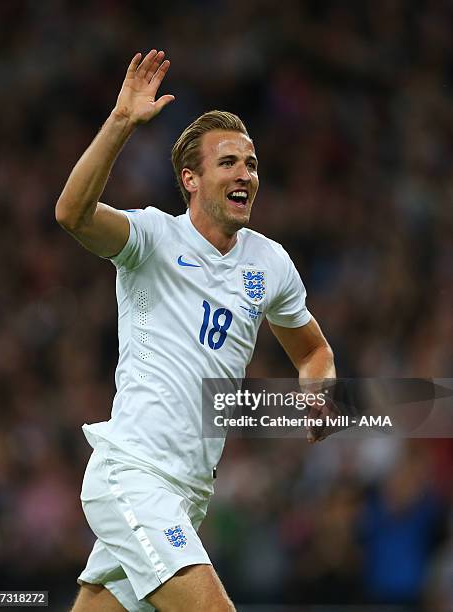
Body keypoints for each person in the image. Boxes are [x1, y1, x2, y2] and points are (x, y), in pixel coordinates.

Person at [56, 49, 335, 612]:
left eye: (252, 164)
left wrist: (318, 392)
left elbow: (313, 351)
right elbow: (72, 215)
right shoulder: (153, 239)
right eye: (229, 162)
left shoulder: (270, 263)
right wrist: (120, 123)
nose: (246, 175)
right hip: (134, 473)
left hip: (188, 493)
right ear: (191, 178)